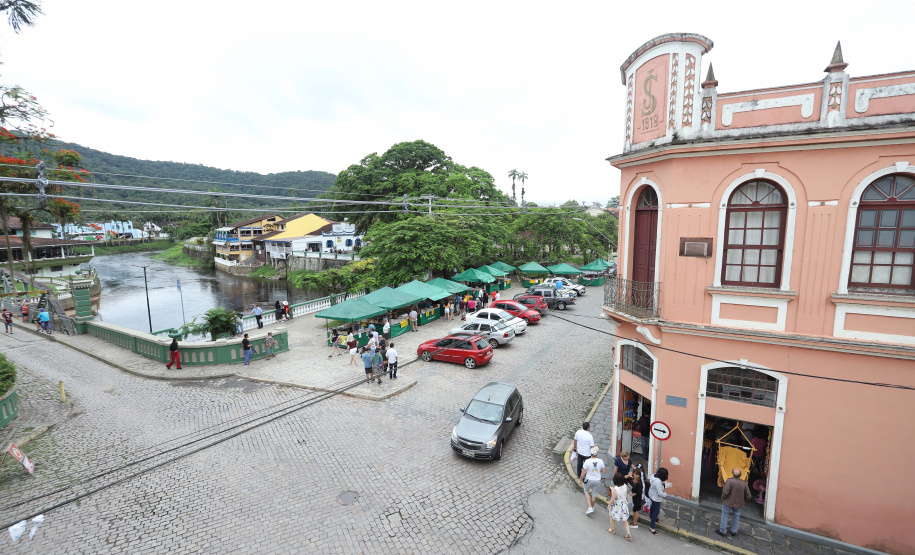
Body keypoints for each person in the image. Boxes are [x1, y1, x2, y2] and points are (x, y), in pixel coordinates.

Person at [717, 468, 752, 538]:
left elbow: (725, 492)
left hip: (728, 502)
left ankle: (722, 531)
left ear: (732, 474)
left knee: (725, 515)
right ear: (740, 475)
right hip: (739, 504)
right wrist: (743, 500)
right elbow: (749, 496)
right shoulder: (744, 483)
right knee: (736, 517)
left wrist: (723, 498)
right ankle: (733, 531)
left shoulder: (729, 481)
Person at [578, 446, 605, 515]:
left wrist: (580, 480)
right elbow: (604, 471)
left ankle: (590, 507)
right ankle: (592, 507)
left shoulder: (587, 461)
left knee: (586, 491)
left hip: (588, 479)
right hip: (597, 480)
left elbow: (583, 472)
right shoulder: (600, 461)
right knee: (594, 494)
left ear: (590, 454)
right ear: (597, 454)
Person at [608, 473, 632, 541]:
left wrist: (609, 505)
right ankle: (628, 534)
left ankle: (612, 529)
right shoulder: (625, 485)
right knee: (625, 519)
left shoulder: (615, 489)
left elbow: (613, 499)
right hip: (624, 504)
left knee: (612, 516)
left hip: (617, 505)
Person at [648, 467, 669, 536]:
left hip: (651, 494)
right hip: (656, 498)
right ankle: (652, 527)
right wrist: (665, 494)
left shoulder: (654, 476)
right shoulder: (658, 482)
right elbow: (660, 493)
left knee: (652, 506)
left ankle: (651, 517)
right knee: (656, 512)